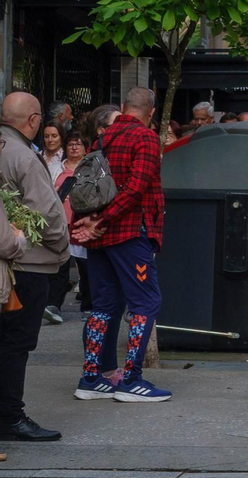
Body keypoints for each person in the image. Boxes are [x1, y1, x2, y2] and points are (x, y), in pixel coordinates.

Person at [71, 87, 172, 403]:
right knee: (146, 302)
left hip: (101, 238)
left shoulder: (103, 137)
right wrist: (102, 221)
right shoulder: (145, 138)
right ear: (151, 112)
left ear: (125, 107)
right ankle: (131, 379)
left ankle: (91, 377)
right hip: (129, 233)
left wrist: (94, 220)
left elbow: (92, 185)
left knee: (104, 304)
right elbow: (136, 188)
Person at [0, 93, 70, 442]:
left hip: (12, 263)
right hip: (26, 263)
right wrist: (61, 249)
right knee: (16, 342)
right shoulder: (23, 157)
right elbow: (47, 215)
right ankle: (11, 416)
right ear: (32, 120)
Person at [48, 132, 86, 319]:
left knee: (85, 265)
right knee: (61, 263)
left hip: (82, 222)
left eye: (78, 144)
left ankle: (89, 304)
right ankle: (54, 305)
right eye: (70, 144)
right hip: (61, 222)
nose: (74, 147)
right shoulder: (56, 168)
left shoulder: (90, 168)